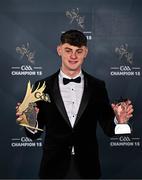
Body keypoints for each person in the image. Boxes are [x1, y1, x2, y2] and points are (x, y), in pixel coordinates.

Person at [16, 29, 133, 179]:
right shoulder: (41, 86)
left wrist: (119, 121)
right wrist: (30, 121)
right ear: (59, 50)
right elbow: (34, 134)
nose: (73, 56)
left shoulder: (98, 86)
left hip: (87, 167)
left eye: (79, 51)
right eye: (68, 50)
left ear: (85, 52)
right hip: (53, 168)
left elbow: (109, 128)